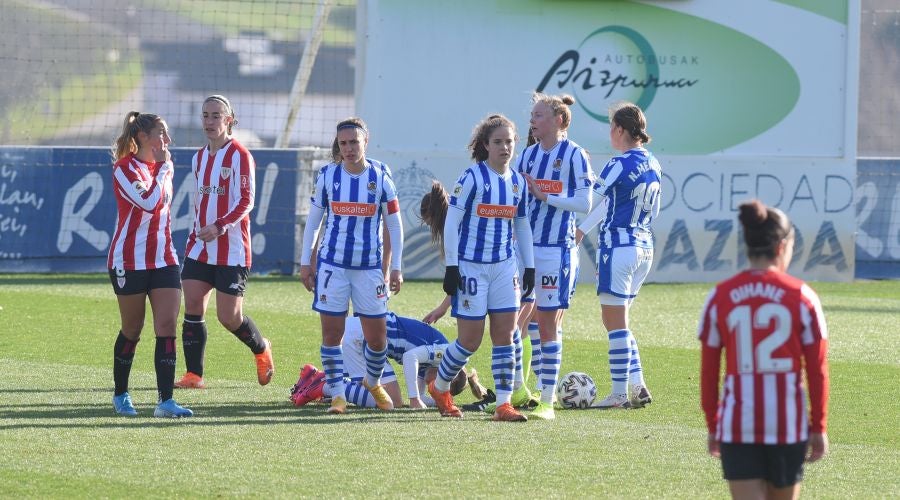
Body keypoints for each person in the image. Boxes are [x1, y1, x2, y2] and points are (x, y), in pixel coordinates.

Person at [698, 199, 830, 499]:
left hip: (737, 426)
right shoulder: (803, 297)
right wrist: (819, 424)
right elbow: (817, 369)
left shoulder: (721, 296)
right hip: (788, 425)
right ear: (782, 246)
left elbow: (708, 372)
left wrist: (712, 423)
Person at [426, 114, 536, 422]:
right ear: (485, 145)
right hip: (472, 268)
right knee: (469, 341)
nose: (505, 147)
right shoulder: (472, 177)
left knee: (505, 335)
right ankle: (441, 387)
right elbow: (452, 223)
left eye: (509, 141)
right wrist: (452, 267)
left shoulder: (517, 182)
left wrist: (529, 267)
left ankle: (503, 404)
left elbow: (523, 225)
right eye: (498, 142)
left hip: (504, 268)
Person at [299, 117, 404, 414]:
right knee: (332, 334)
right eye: (343, 143)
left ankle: (372, 381)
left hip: (369, 268)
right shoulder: (328, 176)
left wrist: (396, 266)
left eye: (354, 142)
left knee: (377, 338)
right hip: (333, 266)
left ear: (365, 141)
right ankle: (338, 395)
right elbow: (313, 223)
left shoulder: (381, 176)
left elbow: (395, 226)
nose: (348, 148)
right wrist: (306, 262)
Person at [174, 94, 274, 389]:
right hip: (199, 246)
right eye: (206, 115)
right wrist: (199, 231)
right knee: (192, 304)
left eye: (216, 115)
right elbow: (199, 201)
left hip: (231, 249)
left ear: (229, 121)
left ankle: (261, 349)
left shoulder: (240, 155)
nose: (209, 121)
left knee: (229, 317)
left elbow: (247, 201)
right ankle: (194, 375)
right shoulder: (198, 157)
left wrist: (219, 226)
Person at [108, 111, 192, 418]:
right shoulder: (123, 169)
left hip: (164, 259)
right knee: (132, 329)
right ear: (143, 137)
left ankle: (165, 401)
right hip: (128, 261)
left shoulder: (161, 168)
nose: (167, 141)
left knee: (168, 326)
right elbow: (148, 202)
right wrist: (165, 170)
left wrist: (164, 169)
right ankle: (120, 394)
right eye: (162, 133)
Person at [576, 102, 660, 409]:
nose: (609, 132)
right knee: (620, 321)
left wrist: (581, 171)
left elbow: (590, 199)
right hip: (644, 247)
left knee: (614, 322)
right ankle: (638, 385)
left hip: (619, 248)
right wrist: (583, 230)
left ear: (620, 130)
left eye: (611, 126)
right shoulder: (653, 163)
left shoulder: (617, 163)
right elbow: (622, 204)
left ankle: (618, 393)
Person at [517, 93, 594, 419]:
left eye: (539, 115)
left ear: (559, 120)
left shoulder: (575, 155)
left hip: (555, 251)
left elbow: (585, 203)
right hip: (523, 251)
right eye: (532, 115)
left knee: (547, 324)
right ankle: (518, 391)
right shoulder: (527, 156)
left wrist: (545, 195)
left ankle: (547, 401)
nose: (533, 121)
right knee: (516, 322)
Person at [290, 312, 469, 409]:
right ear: (449, 373)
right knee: (391, 401)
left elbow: (421, 397)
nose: (431, 385)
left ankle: (318, 379)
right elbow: (410, 357)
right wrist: (414, 399)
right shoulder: (444, 352)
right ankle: (324, 384)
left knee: (390, 399)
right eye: (435, 386)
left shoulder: (433, 364)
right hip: (362, 339)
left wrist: (437, 401)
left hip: (364, 337)